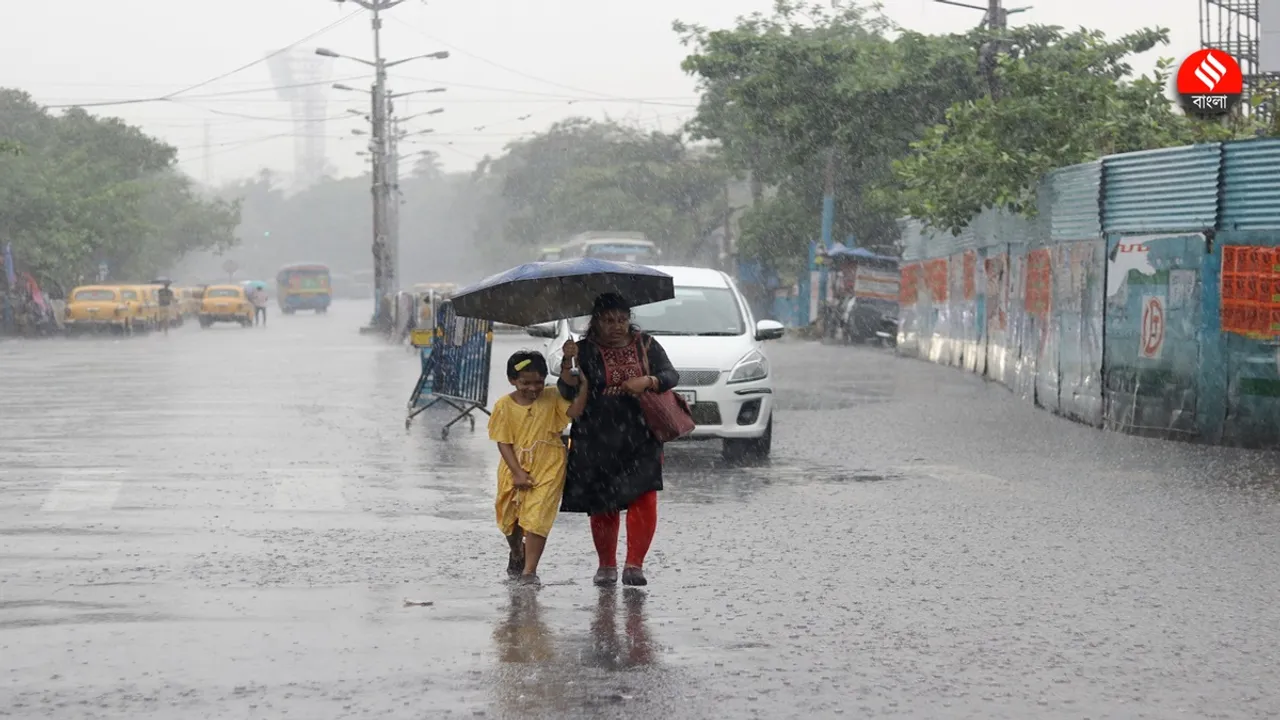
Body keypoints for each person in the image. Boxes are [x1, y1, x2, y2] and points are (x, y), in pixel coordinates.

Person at [557, 292, 680, 587]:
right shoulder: (583, 350)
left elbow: (671, 375)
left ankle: (634, 565)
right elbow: (566, 391)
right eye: (609, 320)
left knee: (644, 496)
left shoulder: (646, 345)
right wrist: (567, 361)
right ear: (595, 322)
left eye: (622, 320)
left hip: (640, 433)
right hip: (595, 435)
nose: (617, 326)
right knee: (603, 501)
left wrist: (648, 381)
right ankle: (606, 566)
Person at [487, 350, 587, 586]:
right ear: (512, 380)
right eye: (525, 383)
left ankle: (530, 571)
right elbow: (504, 442)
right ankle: (516, 551)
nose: (533, 388)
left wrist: (582, 383)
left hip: (549, 463)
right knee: (509, 521)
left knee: (537, 517)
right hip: (514, 465)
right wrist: (518, 472)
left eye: (538, 382)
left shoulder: (552, 397)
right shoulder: (503, 405)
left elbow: (574, 412)